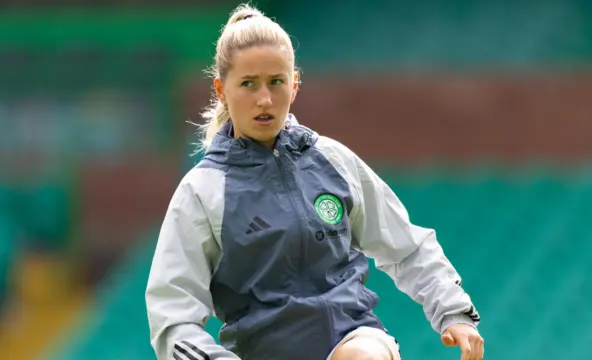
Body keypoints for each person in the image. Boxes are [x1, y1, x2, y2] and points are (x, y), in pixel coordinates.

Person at [145, 4, 484, 360]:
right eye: (248, 84)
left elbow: (408, 246)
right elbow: (173, 319)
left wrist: (454, 312)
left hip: (354, 339)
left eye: (276, 82)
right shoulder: (202, 192)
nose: (264, 98)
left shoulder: (333, 161)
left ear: (294, 85)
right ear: (221, 89)